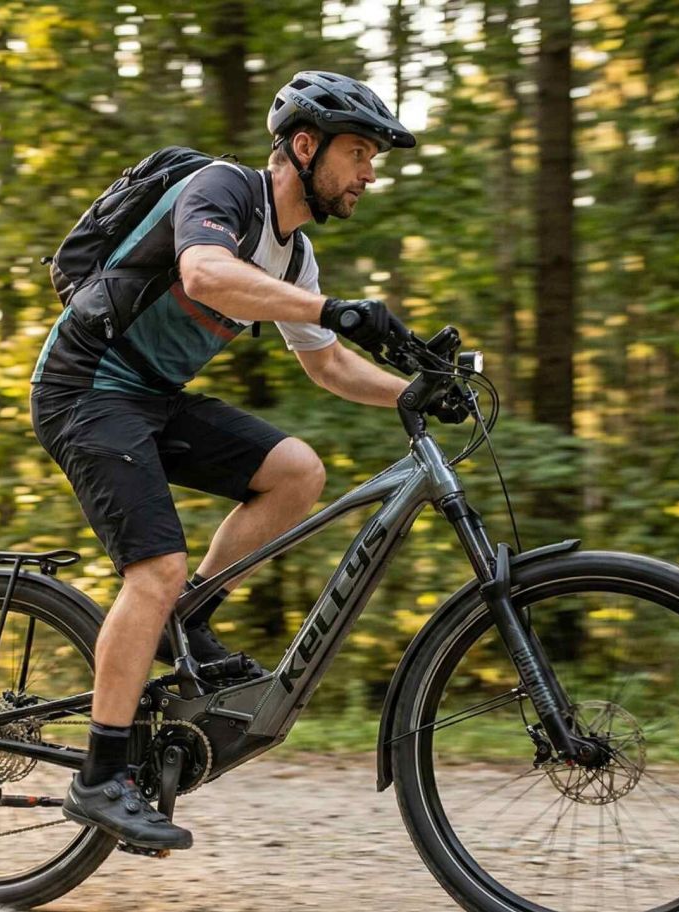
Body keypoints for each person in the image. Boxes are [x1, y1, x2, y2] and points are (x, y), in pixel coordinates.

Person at [29, 72, 417, 850]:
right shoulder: (225, 189)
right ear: (304, 146)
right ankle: (101, 776)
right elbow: (204, 272)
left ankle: (186, 620)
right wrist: (331, 309)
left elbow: (328, 364)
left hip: (151, 396)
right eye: (358, 153)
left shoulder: (294, 256)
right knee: (155, 569)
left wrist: (415, 392)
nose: (369, 174)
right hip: (87, 386)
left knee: (297, 471)